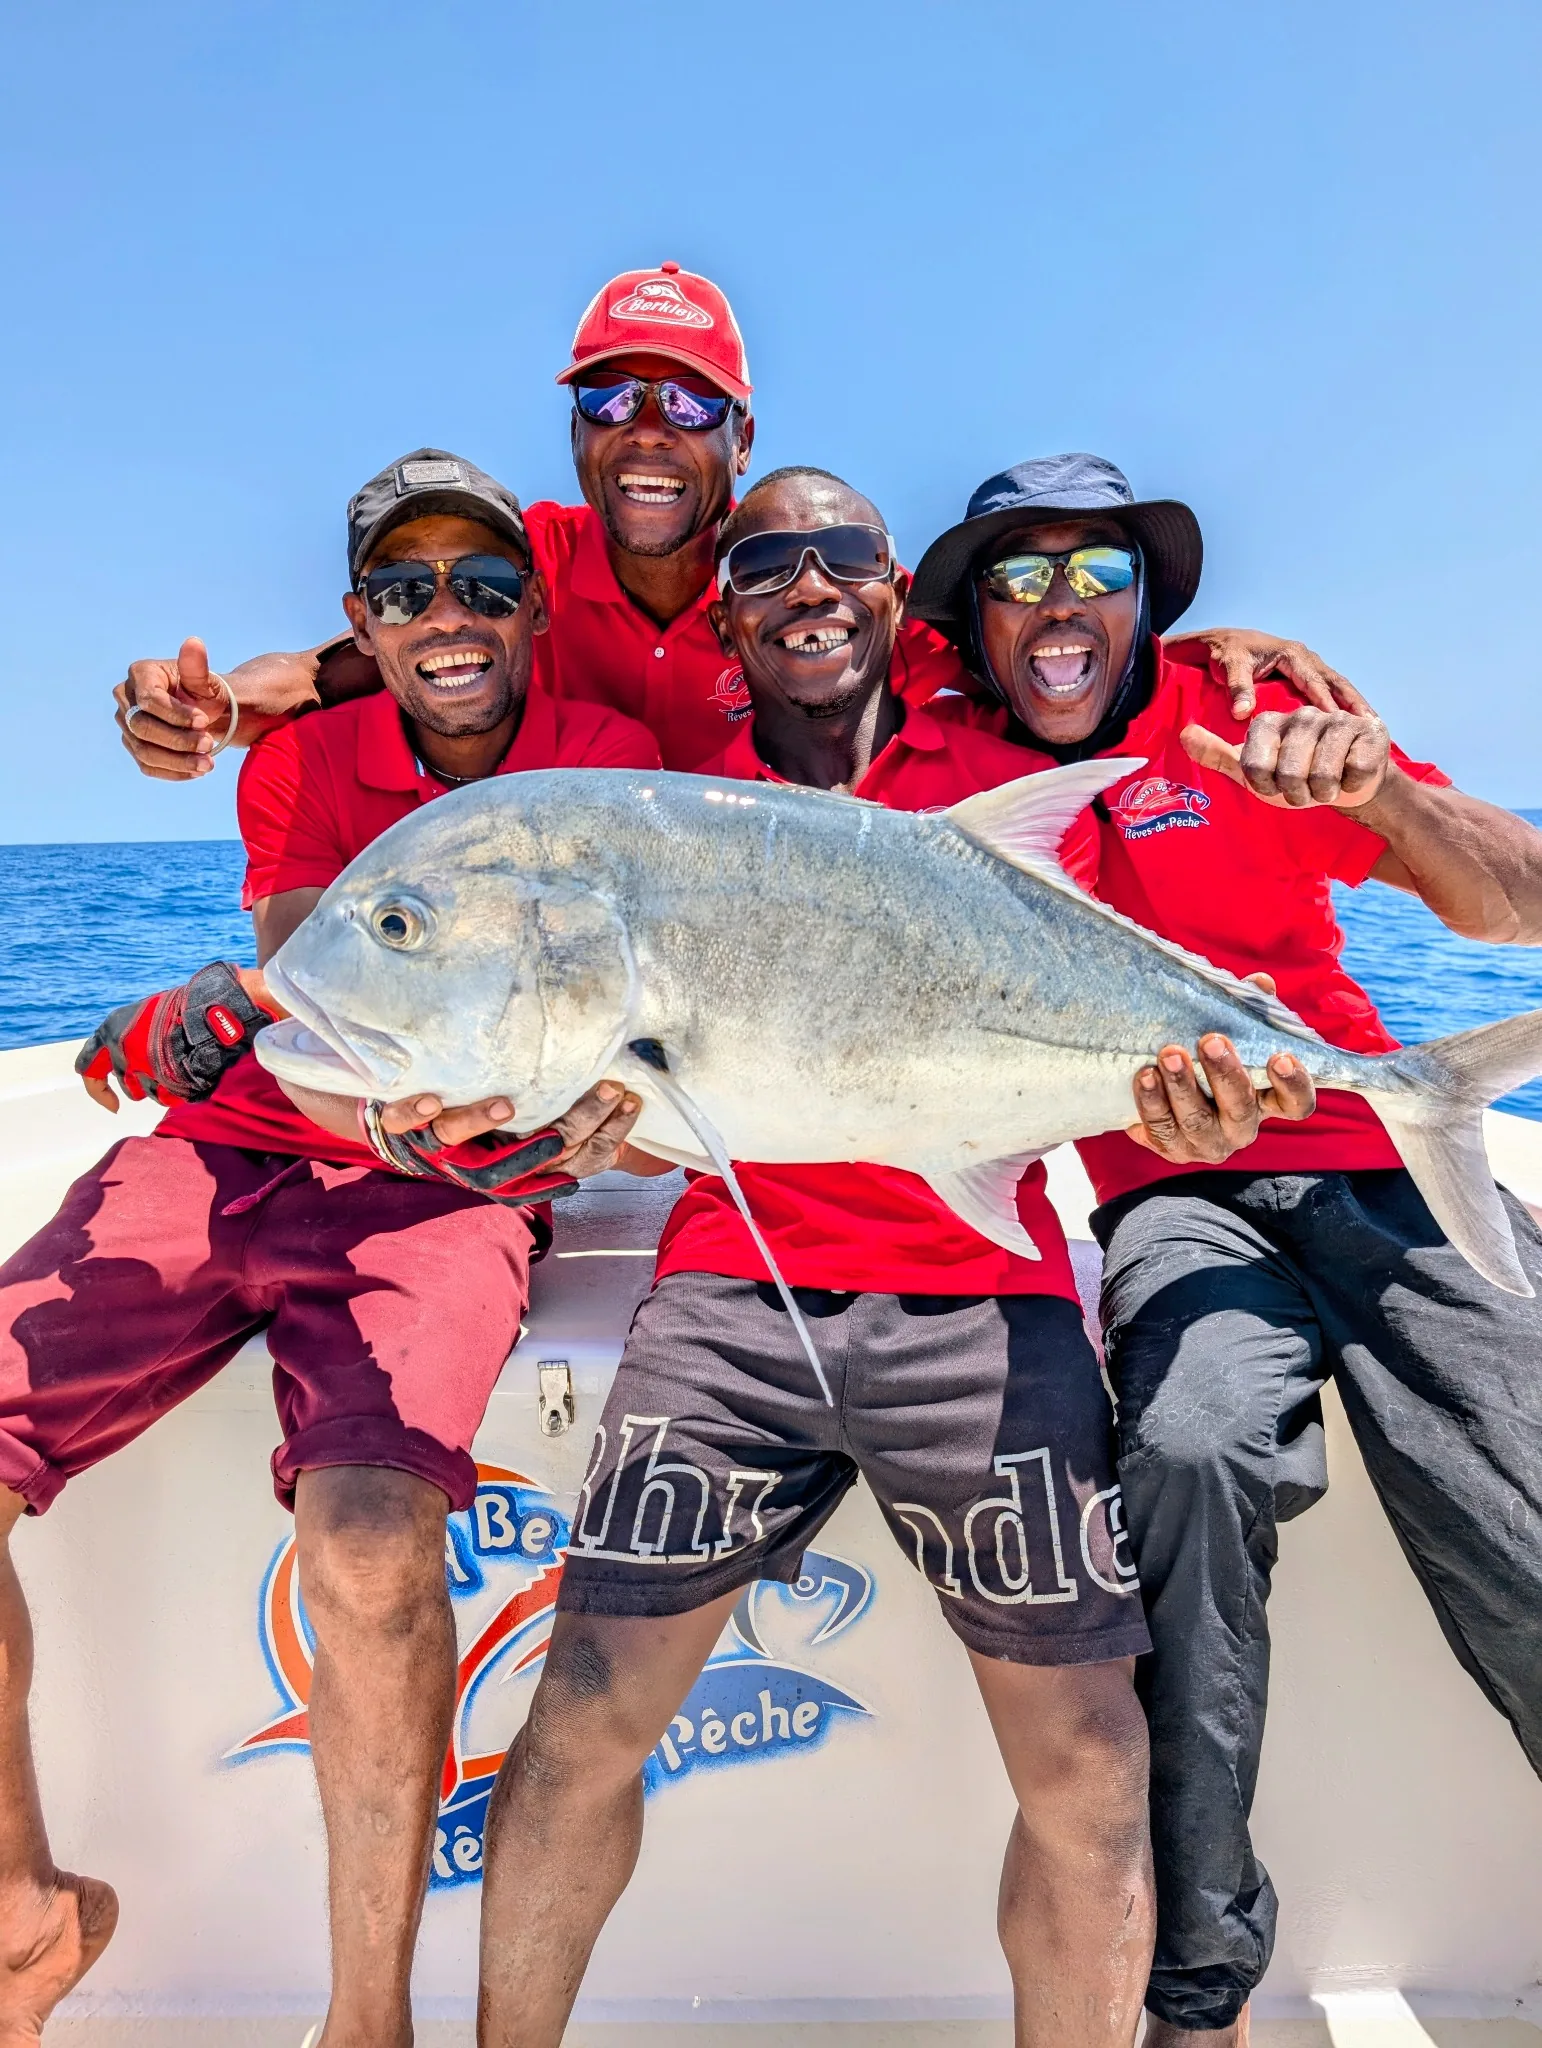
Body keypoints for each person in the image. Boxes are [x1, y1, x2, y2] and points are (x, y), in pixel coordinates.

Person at [445, 465, 1315, 2048]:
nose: (809, 584)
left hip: (984, 1299)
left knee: (1091, 1763)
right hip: (729, 1303)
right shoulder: (671, 803)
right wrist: (588, 1123)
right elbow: (659, 1094)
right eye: (768, 560)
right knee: (579, 1718)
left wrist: (1194, 1093)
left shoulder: (995, 769)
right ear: (723, 609)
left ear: (893, 589)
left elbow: (1107, 978)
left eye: (842, 555)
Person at [0, 452, 659, 2045]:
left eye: (487, 586)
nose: (450, 615)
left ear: (534, 613)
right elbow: (324, 1019)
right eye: (407, 587)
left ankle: (369, 2023)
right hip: (241, 1153)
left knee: (368, 1539)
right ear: (361, 616)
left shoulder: (603, 758)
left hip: (441, 1199)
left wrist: (521, 1129)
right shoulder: (299, 760)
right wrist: (194, 1027)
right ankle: (23, 1911)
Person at [910, 452, 1542, 2047]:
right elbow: (742, 631)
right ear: (969, 619)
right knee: (1181, 1460)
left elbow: (1509, 905)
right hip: (1167, 1202)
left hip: (1373, 1155)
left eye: (1097, 576)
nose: (1060, 609)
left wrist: (1374, 791)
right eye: (1019, 578)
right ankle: (1198, 1993)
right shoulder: (932, 765)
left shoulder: (1243, 712)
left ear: (1148, 602)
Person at [109, 264, 1354, 782]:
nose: (648, 425)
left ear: (740, 437)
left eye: (688, 399)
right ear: (579, 433)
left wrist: (1197, 645)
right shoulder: (519, 567)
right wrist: (213, 715)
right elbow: (333, 670)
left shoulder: (811, 594)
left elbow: (1029, 640)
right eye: (611, 394)